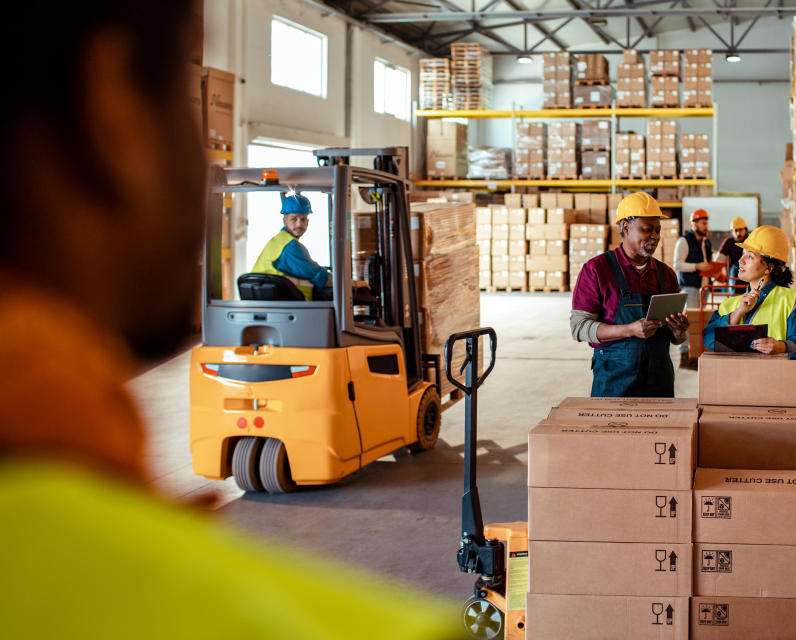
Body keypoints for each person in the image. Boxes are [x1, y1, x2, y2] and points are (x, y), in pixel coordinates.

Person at [0, 2, 458, 638]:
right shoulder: (371, 624)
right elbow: (320, 280)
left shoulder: (275, 248)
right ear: (110, 111)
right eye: (185, 100)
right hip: (312, 329)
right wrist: (353, 281)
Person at [571, 192, 690, 397]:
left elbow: (674, 338)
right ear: (626, 227)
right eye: (647, 229)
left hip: (658, 380)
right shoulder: (597, 270)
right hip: (614, 379)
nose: (655, 235)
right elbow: (579, 328)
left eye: (658, 230)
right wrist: (629, 330)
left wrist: (679, 332)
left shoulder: (667, 275)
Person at [702, 225, 796, 356]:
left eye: (750, 257)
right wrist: (737, 313)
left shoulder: (792, 301)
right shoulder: (730, 305)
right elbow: (708, 339)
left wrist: (781, 347)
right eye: (744, 254)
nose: (740, 261)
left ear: (769, 268)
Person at [253, 193, 331, 300]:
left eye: (303, 219)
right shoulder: (290, 247)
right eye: (294, 219)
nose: (299, 224)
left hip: (276, 304)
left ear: (308, 222)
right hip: (297, 308)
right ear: (285, 221)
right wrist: (352, 284)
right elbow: (320, 276)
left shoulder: (277, 241)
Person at [674, 208, 714, 368]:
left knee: (700, 322)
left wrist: (716, 273)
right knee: (686, 321)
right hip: (689, 287)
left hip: (704, 288)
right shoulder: (684, 241)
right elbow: (677, 264)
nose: (706, 226)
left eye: (706, 223)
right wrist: (697, 266)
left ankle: (697, 355)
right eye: (703, 223)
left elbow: (708, 264)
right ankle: (685, 355)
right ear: (694, 223)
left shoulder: (707, 242)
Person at [717, 216, 749, 286]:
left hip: (750, 279)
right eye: (735, 230)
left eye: (740, 230)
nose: (738, 233)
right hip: (734, 281)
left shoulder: (751, 241)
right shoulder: (728, 242)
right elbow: (718, 261)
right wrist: (718, 274)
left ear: (745, 230)